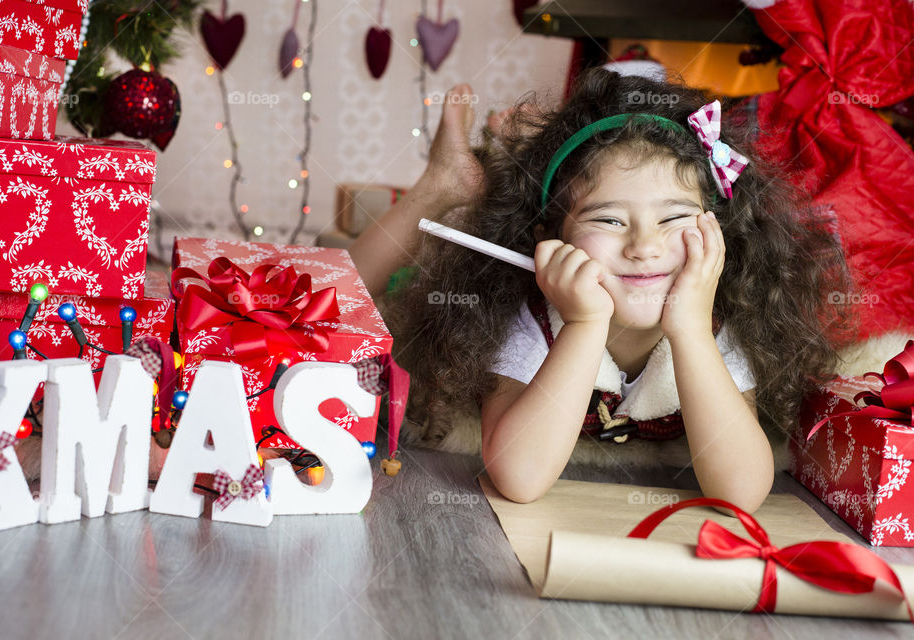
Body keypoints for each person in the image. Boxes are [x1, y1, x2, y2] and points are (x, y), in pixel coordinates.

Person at [350, 68, 852, 512]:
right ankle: (442, 185)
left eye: (674, 218)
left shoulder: (716, 309)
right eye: (609, 219)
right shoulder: (531, 313)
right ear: (554, 237)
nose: (645, 246)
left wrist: (692, 331)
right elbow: (519, 479)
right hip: (432, 288)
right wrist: (584, 325)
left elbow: (740, 492)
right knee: (348, 301)